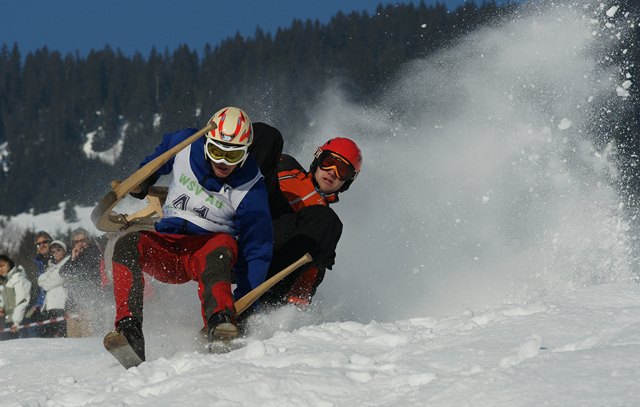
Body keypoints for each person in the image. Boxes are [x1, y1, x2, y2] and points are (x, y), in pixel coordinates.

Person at [107, 106, 273, 363]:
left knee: (221, 246)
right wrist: (144, 181)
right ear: (207, 143)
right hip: (167, 246)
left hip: (206, 252)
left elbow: (257, 247)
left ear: (246, 152)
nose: (223, 162)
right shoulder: (186, 143)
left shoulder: (251, 187)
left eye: (233, 155)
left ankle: (220, 323)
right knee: (128, 244)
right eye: (217, 152)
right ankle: (129, 331)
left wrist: (244, 298)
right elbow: (158, 160)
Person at [249, 125, 362, 309]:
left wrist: (299, 295)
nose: (332, 172)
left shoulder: (323, 222)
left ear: (347, 181)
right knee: (269, 136)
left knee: (327, 221)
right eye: (328, 162)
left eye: (342, 170)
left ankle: (267, 301)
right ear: (318, 159)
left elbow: (314, 267)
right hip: (248, 212)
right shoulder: (287, 165)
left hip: (274, 244)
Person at [60, 228, 104, 337]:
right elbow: (62, 272)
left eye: (82, 240)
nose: (80, 244)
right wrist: (72, 258)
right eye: (77, 242)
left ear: (88, 240)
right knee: (73, 337)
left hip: (90, 301)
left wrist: (75, 262)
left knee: (87, 337)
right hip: (73, 303)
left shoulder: (94, 252)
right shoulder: (75, 255)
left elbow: (86, 273)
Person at [37, 240, 70, 337]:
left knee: (63, 336)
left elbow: (59, 279)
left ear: (64, 250)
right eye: (53, 252)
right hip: (50, 306)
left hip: (61, 305)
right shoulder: (51, 266)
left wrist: (47, 282)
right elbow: (40, 280)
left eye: (58, 250)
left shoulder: (67, 263)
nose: (56, 253)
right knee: (52, 339)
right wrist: (49, 282)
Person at [0, 254, 32, 340]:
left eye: (2, 265)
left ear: (9, 264)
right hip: (10, 320)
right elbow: (4, 298)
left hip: (22, 320)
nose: (0, 269)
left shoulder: (19, 278)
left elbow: (22, 301)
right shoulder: (6, 280)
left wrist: (16, 322)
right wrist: (2, 307)